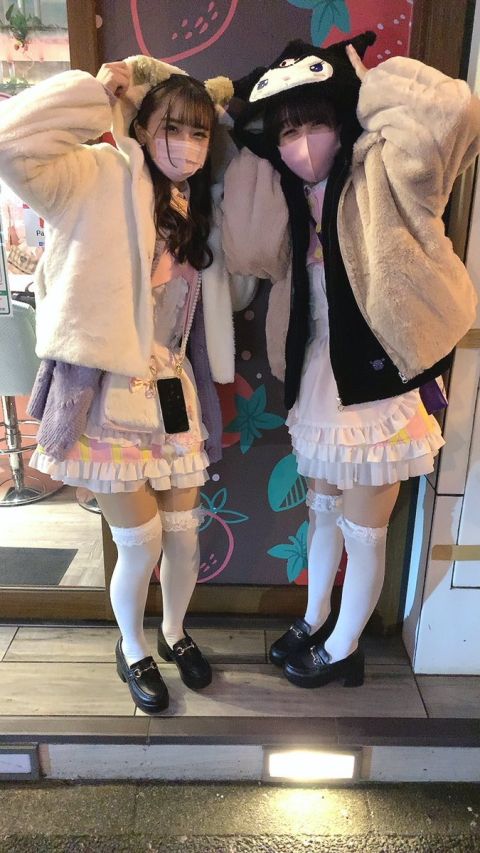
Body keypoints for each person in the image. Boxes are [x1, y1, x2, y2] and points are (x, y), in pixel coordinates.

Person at [223, 32, 480, 688]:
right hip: (318, 379)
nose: (301, 142)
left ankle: (343, 646)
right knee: (322, 513)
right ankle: (317, 619)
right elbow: (248, 252)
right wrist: (242, 115)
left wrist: (362, 82)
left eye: (314, 123)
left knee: (366, 530)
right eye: (287, 131)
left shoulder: (382, 172)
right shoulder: (287, 198)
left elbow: (454, 111)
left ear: (341, 120)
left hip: (380, 384)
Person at [0, 56, 251, 714]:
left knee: (184, 534)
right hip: (107, 393)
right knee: (139, 544)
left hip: (173, 391)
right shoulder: (98, 173)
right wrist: (95, 91)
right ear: (141, 126)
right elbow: (10, 143)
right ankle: (133, 646)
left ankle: (174, 632)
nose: (187, 144)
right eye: (173, 127)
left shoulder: (198, 205)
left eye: (199, 132)